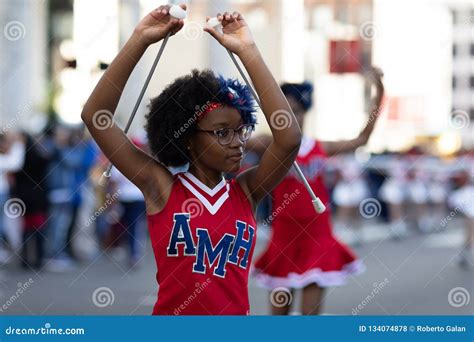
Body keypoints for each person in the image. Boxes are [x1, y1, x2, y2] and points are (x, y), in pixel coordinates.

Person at [81, 5, 302, 315]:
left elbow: (289, 138)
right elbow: (96, 117)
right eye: (222, 132)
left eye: (241, 130)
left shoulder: (247, 191)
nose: (237, 142)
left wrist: (247, 51)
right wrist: (139, 40)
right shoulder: (162, 187)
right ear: (188, 138)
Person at [249, 67, 384, 315]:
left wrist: (379, 93)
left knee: (310, 321)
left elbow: (362, 139)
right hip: (283, 238)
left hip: (317, 238)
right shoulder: (268, 144)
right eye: (283, 112)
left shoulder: (321, 146)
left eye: (296, 111)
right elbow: (229, 139)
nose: (290, 117)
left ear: (305, 113)